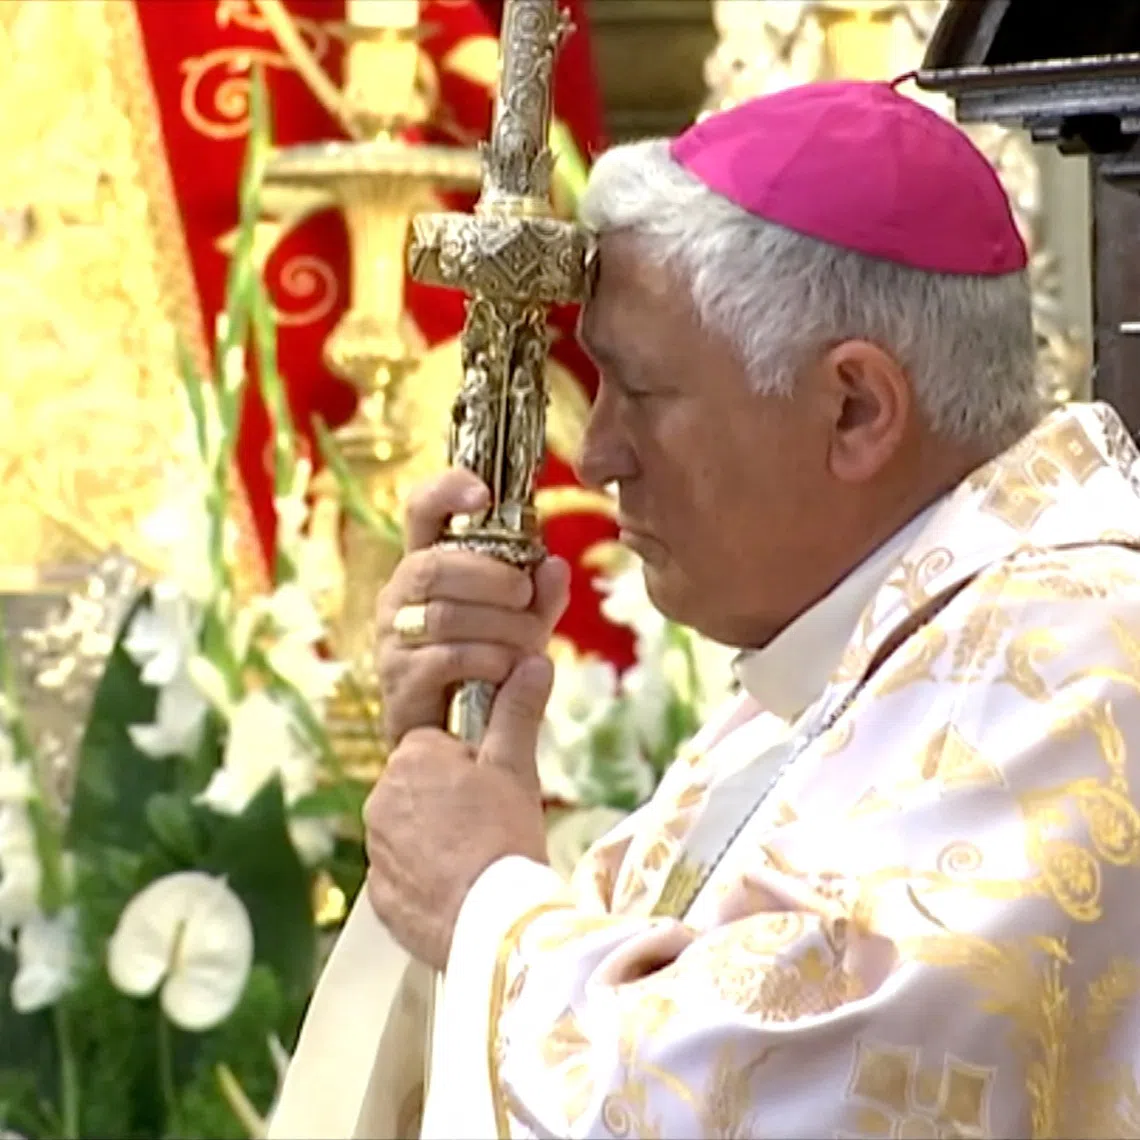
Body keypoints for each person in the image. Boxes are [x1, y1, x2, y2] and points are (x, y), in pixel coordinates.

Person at [269, 78, 1140, 1140]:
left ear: (856, 408)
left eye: (642, 390)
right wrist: (463, 773)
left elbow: (802, 1091)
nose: (597, 457)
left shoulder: (1079, 666)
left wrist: (488, 903)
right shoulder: (850, 670)